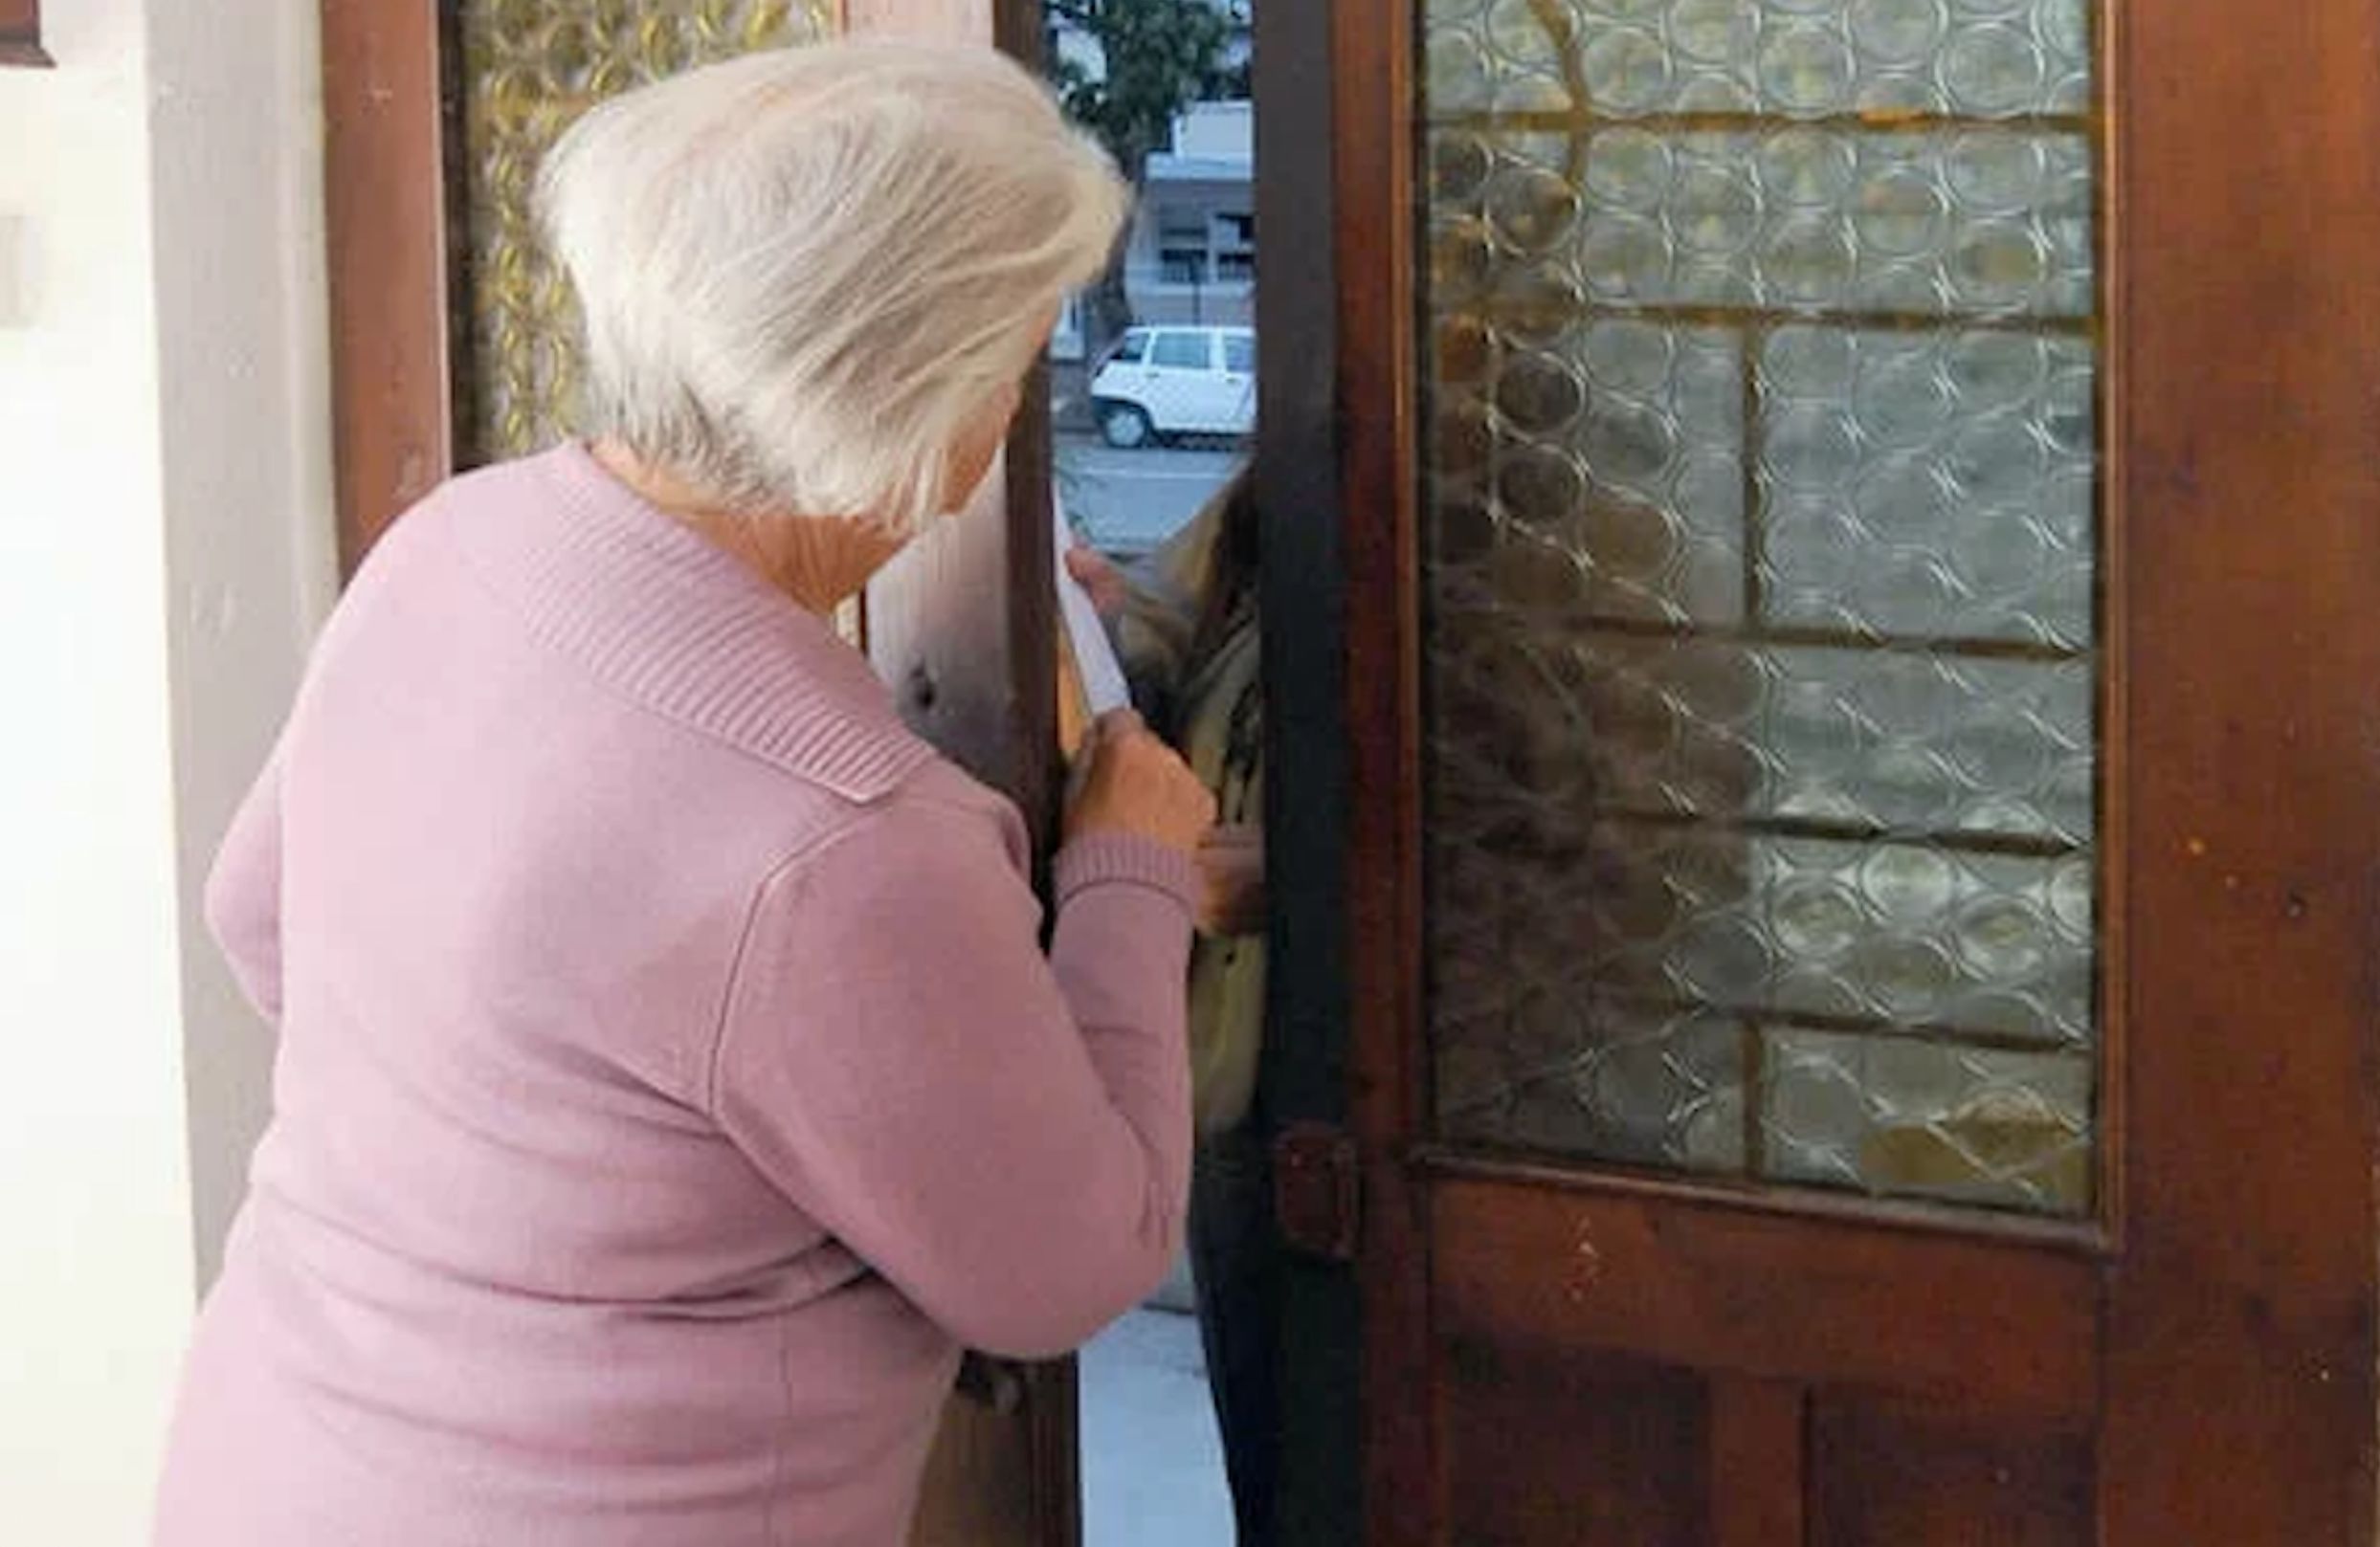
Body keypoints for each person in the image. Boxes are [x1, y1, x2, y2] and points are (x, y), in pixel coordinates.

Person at [153, 42, 1214, 1547]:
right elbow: (1059, 1265)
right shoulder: (842, 834)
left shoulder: (458, 543)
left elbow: (256, 919)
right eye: (1015, 356)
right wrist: (1127, 870)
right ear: (926, 408)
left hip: (269, 1463)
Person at [1068, 473, 1277, 1546]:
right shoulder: (1269, 492)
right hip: (1234, 1072)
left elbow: (1564, 828)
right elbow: (1165, 627)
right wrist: (1104, 634)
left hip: (1435, 1089)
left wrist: (1307, 882)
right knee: (1271, 1444)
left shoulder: (1546, 525)